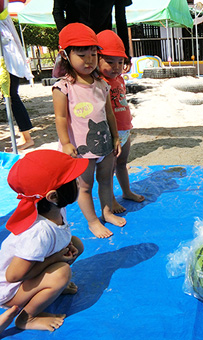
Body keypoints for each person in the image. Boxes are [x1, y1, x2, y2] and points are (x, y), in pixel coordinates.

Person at [0, 149, 89, 331]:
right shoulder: (38, 232)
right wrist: (56, 259)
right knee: (62, 272)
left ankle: (50, 287)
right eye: (73, 181)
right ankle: (27, 318)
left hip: (31, 272)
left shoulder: (55, 209)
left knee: (76, 244)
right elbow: (13, 276)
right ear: (53, 196)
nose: (79, 182)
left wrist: (63, 248)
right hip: (10, 290)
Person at [53, 23, 125, 238]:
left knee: (106, 180)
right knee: (85, 186)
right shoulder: (64, 87)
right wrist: (66, 143)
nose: (88, 60)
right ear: (65, 56)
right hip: (81, 149)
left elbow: (109, 114)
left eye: (93, 55)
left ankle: (107, 212)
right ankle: (93, 221)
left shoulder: (101, 84)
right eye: (81, 55)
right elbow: (60, 117)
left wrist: (115, 138)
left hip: (104, 145)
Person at [96, 30, 145, 213]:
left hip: (124, 129)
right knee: (107, 171)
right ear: (97, 59)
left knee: (123, 162)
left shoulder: (119, 79)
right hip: (110, 132)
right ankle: (110, 202)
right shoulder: (98, 82)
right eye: (110, 62)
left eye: (120, 62)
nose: (116, 67)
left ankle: (126, 191)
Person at [52, 0, 132, 70]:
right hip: (76, 43)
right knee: (76, 81)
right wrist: (67, 41)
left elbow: (120, 17)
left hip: (102, 44)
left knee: (105, 82)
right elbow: (57, 11)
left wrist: (125, 53)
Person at [0, 2, 34, 150]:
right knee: (13, 97)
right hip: (9, 61)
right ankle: (24, 136)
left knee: (12, 97)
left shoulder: (3, 16)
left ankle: (27, 137)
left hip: (7, 62)